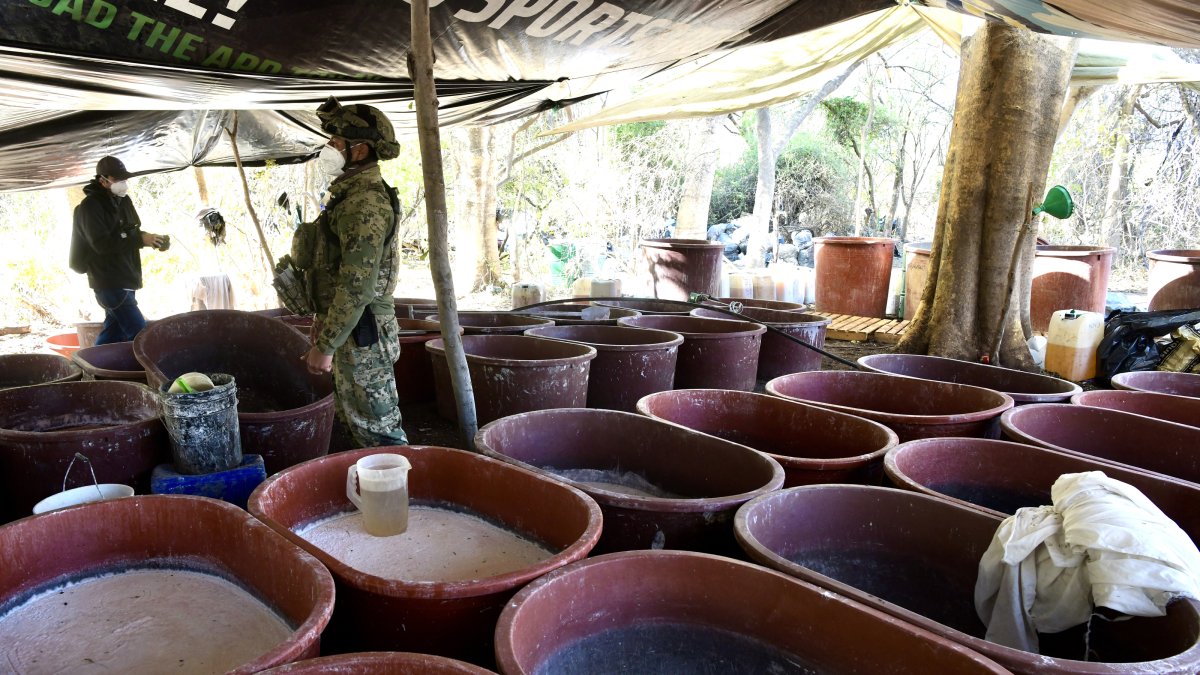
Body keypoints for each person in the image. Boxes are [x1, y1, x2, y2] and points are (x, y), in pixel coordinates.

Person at [298, 96, 408, 448]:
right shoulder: (349, 197)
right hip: (350, 328)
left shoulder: (365, 203)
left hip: (363, 333)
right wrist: (325, 326)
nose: (329, 149)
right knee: (355, 421)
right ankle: (377, 497)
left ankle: (404, 497)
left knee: (379, 432)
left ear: (359, 151)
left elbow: (357, 286)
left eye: (336, 143)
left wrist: (327, 345)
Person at [69, 156, 168, 345]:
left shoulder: (122, 201)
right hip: (108, 280)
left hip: (126, 276)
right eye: (117, 179)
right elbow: (102, 243)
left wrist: (152, 239)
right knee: (140, 334)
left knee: (112, 332)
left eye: (124, 179)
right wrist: (139, 239)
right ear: (102, 180)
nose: (123, 184)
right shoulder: (90, 207)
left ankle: (94, 368)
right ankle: (148, 372)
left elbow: (131, 232)